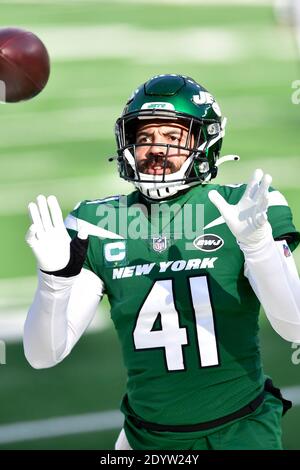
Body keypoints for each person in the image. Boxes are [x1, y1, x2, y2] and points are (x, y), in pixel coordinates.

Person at [24, 74, 300, 450]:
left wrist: (258, 246)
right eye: (145, 137)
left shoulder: (242, 207)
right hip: (145, 439)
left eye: (173, 138)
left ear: (205, 142)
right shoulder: (96, 223)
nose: (156, 149)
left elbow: (294, 326)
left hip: (242, 431)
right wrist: (54, 280)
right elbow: (43, 355)